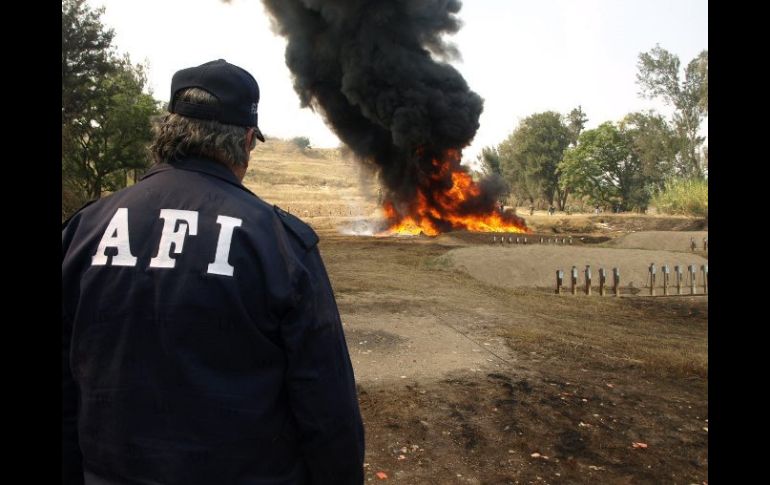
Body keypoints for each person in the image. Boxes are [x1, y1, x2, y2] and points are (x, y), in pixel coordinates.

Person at [62, 59, 365, 485]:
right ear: (245, 140)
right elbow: (327, 406)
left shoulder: (85, 230)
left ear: (167, 130)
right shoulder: (278, 242)